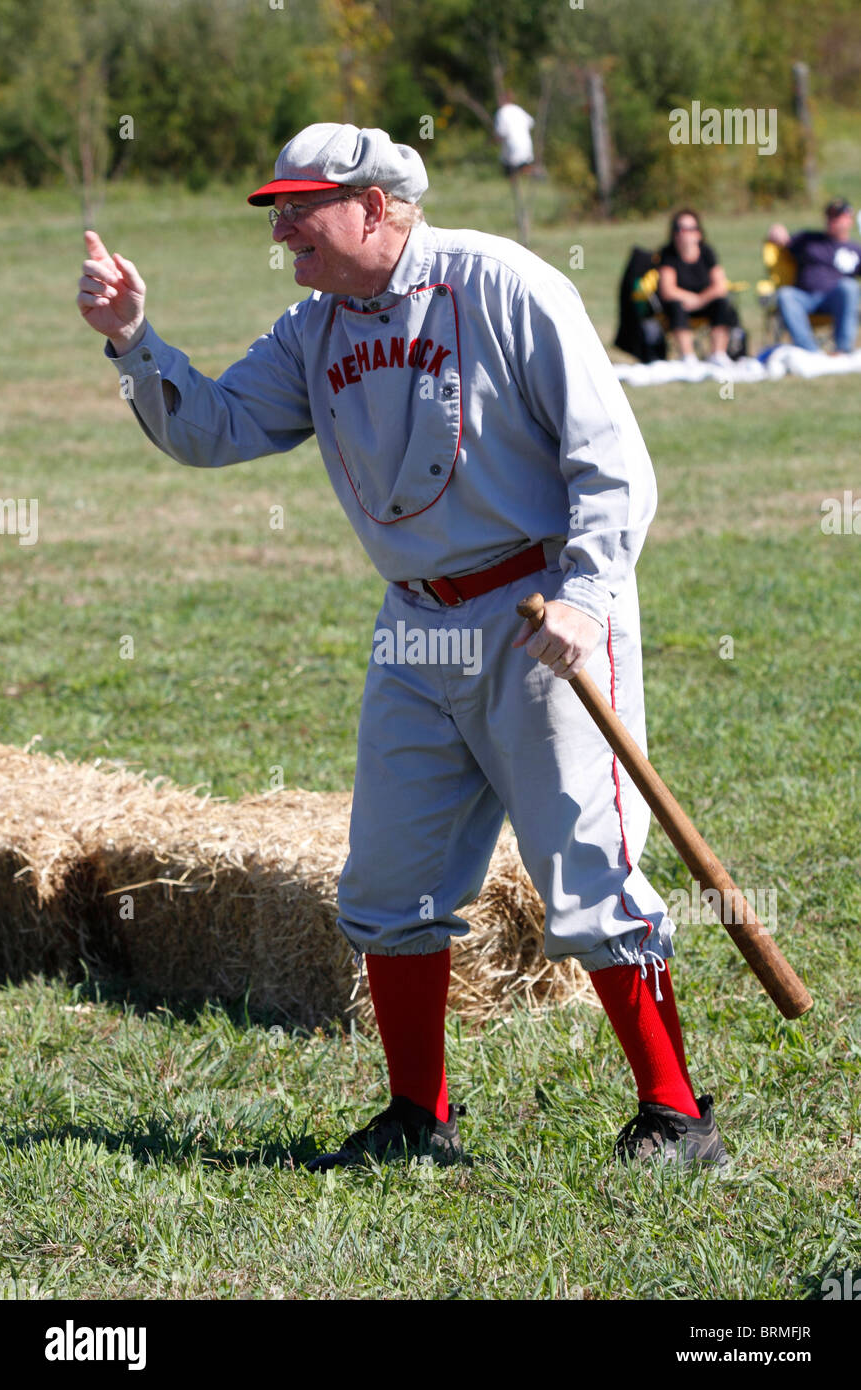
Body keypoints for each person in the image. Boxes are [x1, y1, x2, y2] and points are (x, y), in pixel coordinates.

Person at [77, 123, 728, 1173]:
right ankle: (416, 1120)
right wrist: (134, 341)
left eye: (301, 205)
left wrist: (586, 596)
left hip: (538, 610)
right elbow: (213, 430)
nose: (282, 226)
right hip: (414, 628)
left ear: (373, 206)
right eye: (277, 207)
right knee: (388, 885)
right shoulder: (312, 327)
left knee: (585, 872)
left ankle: (672, 1112)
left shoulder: (503, 285)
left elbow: (611, 462)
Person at [767, 198, 861, 354]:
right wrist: (776, 230)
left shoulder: (855, 250)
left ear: (849, 220)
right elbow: (777, 237)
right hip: (804, 297)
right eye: (829, 216)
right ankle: (810, 352)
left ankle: (842, 351)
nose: (832, 220)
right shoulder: (808, 239)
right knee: (785, 295)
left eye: (837, 216)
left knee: (849, 287)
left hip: (834, 299)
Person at [657, 209, 740, 366]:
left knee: (722, 303)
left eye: (692, 229)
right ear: (675, 233)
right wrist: (690, 299)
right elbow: (667, 290)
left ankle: (718, 354)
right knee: (676, 307)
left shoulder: (707, 253)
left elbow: (720, 285)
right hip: (680, 304)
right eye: (683, 229)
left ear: (699, 233)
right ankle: (688, 357)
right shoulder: (668, 255)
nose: (688, 234)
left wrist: (700, 300)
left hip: (704, 302)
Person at [493, 93, 535, 178]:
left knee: (510, 170)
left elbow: (501, 132)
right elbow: (531, 122)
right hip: (526, 142)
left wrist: (493, 141)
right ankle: (535, 181)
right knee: (524, 166)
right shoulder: (518, 109)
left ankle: (517, 189)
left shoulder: (502, 112)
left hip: (512, 145)